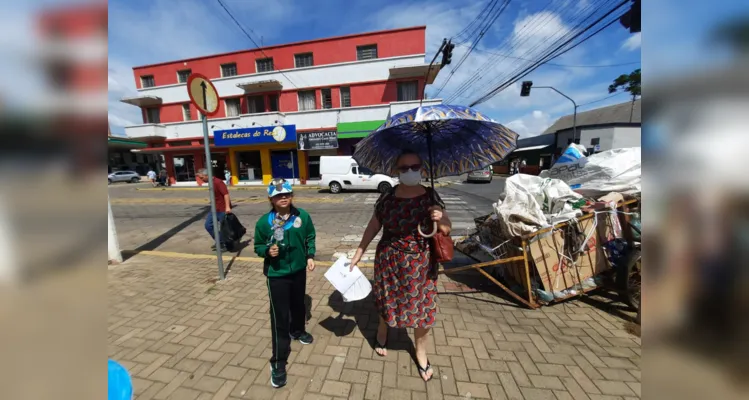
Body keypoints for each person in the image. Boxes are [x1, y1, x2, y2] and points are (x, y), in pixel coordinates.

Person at [348, 149, 452, 382]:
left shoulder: (431, 196)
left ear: (422, 169)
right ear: (396, 171)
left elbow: (446, 228)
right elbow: (374, 225)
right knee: (388, 301)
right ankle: (383, 331)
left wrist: (440, 218)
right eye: (404, 168)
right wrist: (359, 252)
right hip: (389, 261)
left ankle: (421, 353)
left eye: (415, 167)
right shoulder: (387, 196)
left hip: (421, 263)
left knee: (423, 309)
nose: (410, 171)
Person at [253, 178, 317, 389]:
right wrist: (267, 251)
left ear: (292, 196)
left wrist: (310, 256)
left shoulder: (303, 216)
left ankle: (297, 331)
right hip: (277, 274)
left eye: (287, 194)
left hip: (298, 270)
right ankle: (278, 361)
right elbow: (258, 245)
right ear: (271, 198)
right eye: (278, 195)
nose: (283, 198)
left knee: (298, 304)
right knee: (279, 316)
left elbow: (310, 237)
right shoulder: (264, 222)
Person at [196, 168, 231, 252]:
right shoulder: (211, 183)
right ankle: (220, 241)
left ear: (206, 175)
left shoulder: (218, 182)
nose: (201, 180)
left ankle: (225, 244)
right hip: (214, 209)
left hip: (222, 209)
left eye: (201, 178)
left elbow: (226, 194)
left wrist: (227, 207)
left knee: (224, 228)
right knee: (208, 225)